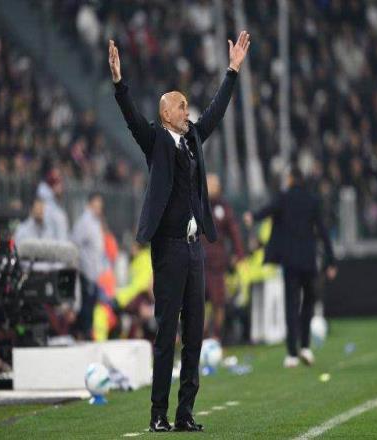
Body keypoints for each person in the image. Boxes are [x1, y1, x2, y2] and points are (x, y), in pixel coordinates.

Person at [109, 32, 250, 432]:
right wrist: (119, 82)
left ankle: (185, 412)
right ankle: (158, 414)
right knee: (166, 332)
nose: (188, 109)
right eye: (181, 105)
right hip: (168, 248)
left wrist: (232, 71)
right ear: (166, 113)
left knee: (194, 334)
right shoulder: (155, 140)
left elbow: (216, 113)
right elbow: (131, 117)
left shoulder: (192, 139)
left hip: (193, 249)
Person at [244, 167, 337, 368]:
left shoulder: (284, 198)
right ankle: (305, 346)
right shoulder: (312, 201)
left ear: (291, 179)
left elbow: (268, 210)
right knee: (308, 303)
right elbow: (323, 231)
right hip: (308, 260)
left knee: (291, 305)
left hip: (290, 261)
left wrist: (253, 216)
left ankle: (292, 353)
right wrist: (331, 261)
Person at [202, 173, 244, 342]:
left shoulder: (224, 208)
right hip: (198, 263)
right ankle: (201, 336)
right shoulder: (196, 204)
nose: (210, 188)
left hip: (217, 264)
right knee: (197, 302)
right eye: (208, 184)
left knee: (218, 302)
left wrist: (238, 254)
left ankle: (217, 336)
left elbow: (234, 233)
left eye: (213, 185)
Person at [72, 192, 105, 340]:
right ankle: (83, 335)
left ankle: (87, 333)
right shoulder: (84, 222)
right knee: (85, 308)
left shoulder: (95, 222)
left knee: (90, 307)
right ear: (90, 204)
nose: (99, 209)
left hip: (93, 273)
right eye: (97, 205)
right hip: (86, 272)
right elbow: (75, 243)